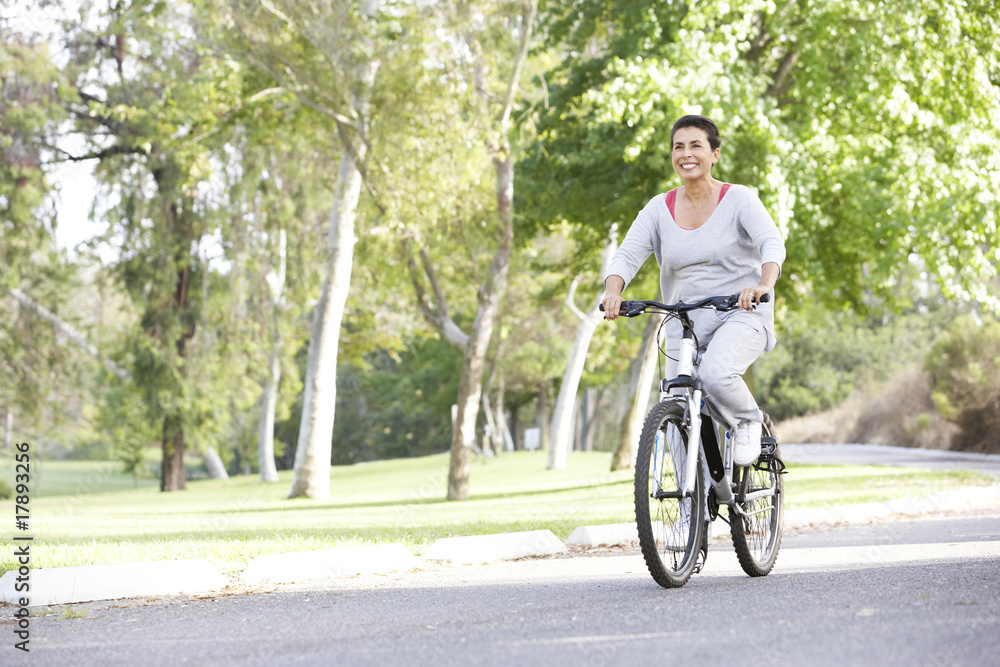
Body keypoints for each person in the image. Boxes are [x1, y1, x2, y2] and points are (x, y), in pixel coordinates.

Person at [602, 114, 785, 467]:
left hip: (741, 312)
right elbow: (626, 255)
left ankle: (749, 421)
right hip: (682, 322)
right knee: (677, 408)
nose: (686, 154)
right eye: (678, 146)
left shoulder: (739, 200)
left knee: (716, 374)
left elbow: (771, 243)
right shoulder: (658, 208)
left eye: (696, 145)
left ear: (714, 154)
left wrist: (764, 285)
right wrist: (613, 292)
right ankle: (692, 512)